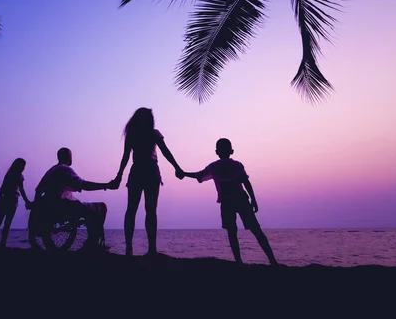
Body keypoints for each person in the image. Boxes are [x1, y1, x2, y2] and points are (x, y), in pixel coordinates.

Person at [181, 138, 278, 265]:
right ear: (232, 151)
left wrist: (183, 173)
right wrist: (253, 199)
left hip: (227, 202)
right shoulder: (237, 165)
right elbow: (246, 182)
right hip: (241, 199)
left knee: (232, 233)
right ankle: (273, 261)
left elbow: (198, 175)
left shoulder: (214, 167)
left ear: (217, 152)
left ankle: (238, 261)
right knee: (256, 231)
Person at [114, 107, 184, 256]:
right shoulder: (136, 135)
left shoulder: (152, 134)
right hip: (143, 171)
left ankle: (150, 249)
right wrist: (119, 175)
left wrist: (177, 167)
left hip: (149, 172)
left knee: (147, 210)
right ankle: (131, 249)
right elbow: (126, 156)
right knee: (136, 210)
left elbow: (165, 151)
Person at [34, 147, 117, 250]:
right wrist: (106, 185)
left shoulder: (50, 171)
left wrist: (37, 207)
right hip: (64, 206)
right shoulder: (65, 169)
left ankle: (92, 241)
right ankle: (93, 242)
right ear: (68, 157)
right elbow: (83, 185)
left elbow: (38, 191)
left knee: (86, 207)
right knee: (101, 207)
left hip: (51, 206)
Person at [0, 158, 32, 246]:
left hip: (5, 200)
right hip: (12, 201)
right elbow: (21, 190)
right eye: (24, 166)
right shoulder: (19, 176)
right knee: (7, 223)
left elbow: (2, 189)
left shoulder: (9, 174)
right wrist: (26, 201)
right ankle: (2, 243)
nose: (24, 168)